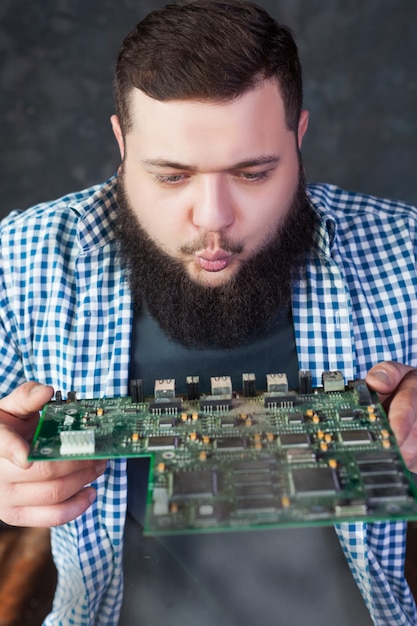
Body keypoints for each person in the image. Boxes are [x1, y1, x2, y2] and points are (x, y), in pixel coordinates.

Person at [0, 1, 417, 624]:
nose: (213, 218)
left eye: (253, 173)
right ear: (121, 142)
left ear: (299, 138)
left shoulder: (405, 252)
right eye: (171, 176)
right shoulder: (24, 257)